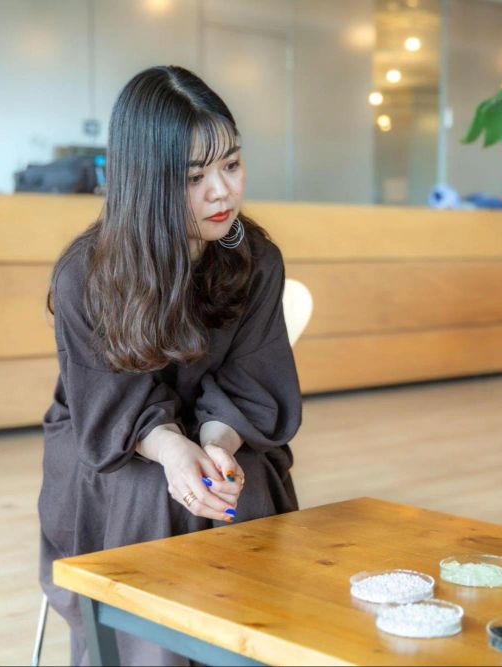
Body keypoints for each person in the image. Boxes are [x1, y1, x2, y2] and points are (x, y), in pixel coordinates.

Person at [38, 65, 302, 666]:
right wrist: (171, 450)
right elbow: (107, 405)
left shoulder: (256, 260)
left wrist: (216, 446)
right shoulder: (87, 273)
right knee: (154, 494)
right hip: (108, 435)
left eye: (231, 164)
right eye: (194, 177)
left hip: (221, 428)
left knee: (239, 483)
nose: (222, 192)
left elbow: (252, 380)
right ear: (146, 181)